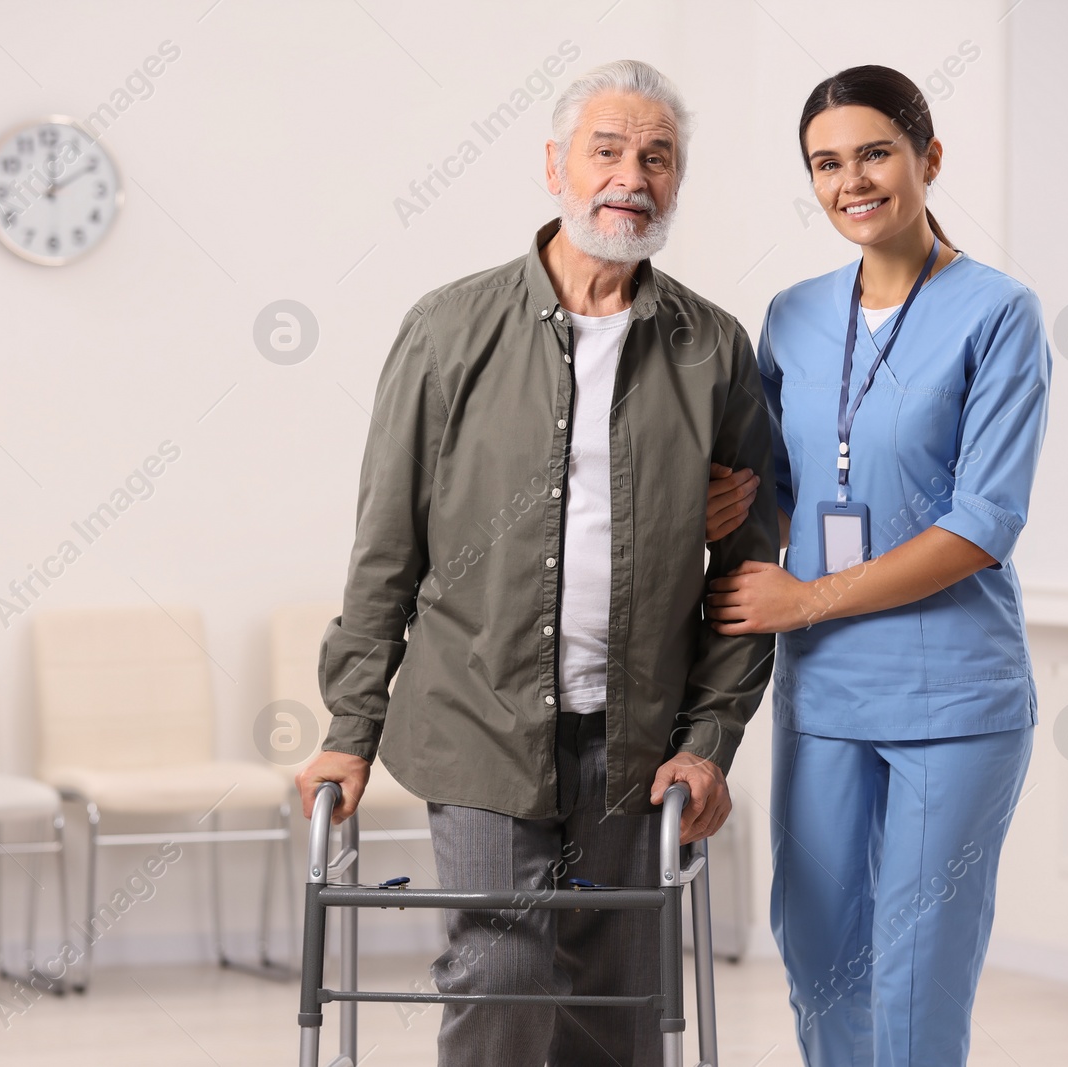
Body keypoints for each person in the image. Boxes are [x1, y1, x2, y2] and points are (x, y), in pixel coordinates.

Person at [295, 59, 779, 1067]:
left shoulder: (712, 349)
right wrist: (349, 727)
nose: (632, 174)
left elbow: (745, 575)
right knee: (505, 973)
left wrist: (710, 737)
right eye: (607, 148)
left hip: (636, 735)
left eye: (659, 156)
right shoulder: (448, 329)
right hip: (477, 719)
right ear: (554, 163)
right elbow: (386, 547)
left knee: (617, 1006)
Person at [705, 64, 1051, 1066]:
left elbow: (982, 522)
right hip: (823, 692)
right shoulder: (793, 315)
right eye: (825, 162)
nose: (850, 180)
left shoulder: (998, 313)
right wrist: (742, 500)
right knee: (818, 960)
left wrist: (806, 595)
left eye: (873, 153)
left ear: (925, 158)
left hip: (952, 693)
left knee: (913, 968)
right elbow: (783, 479)